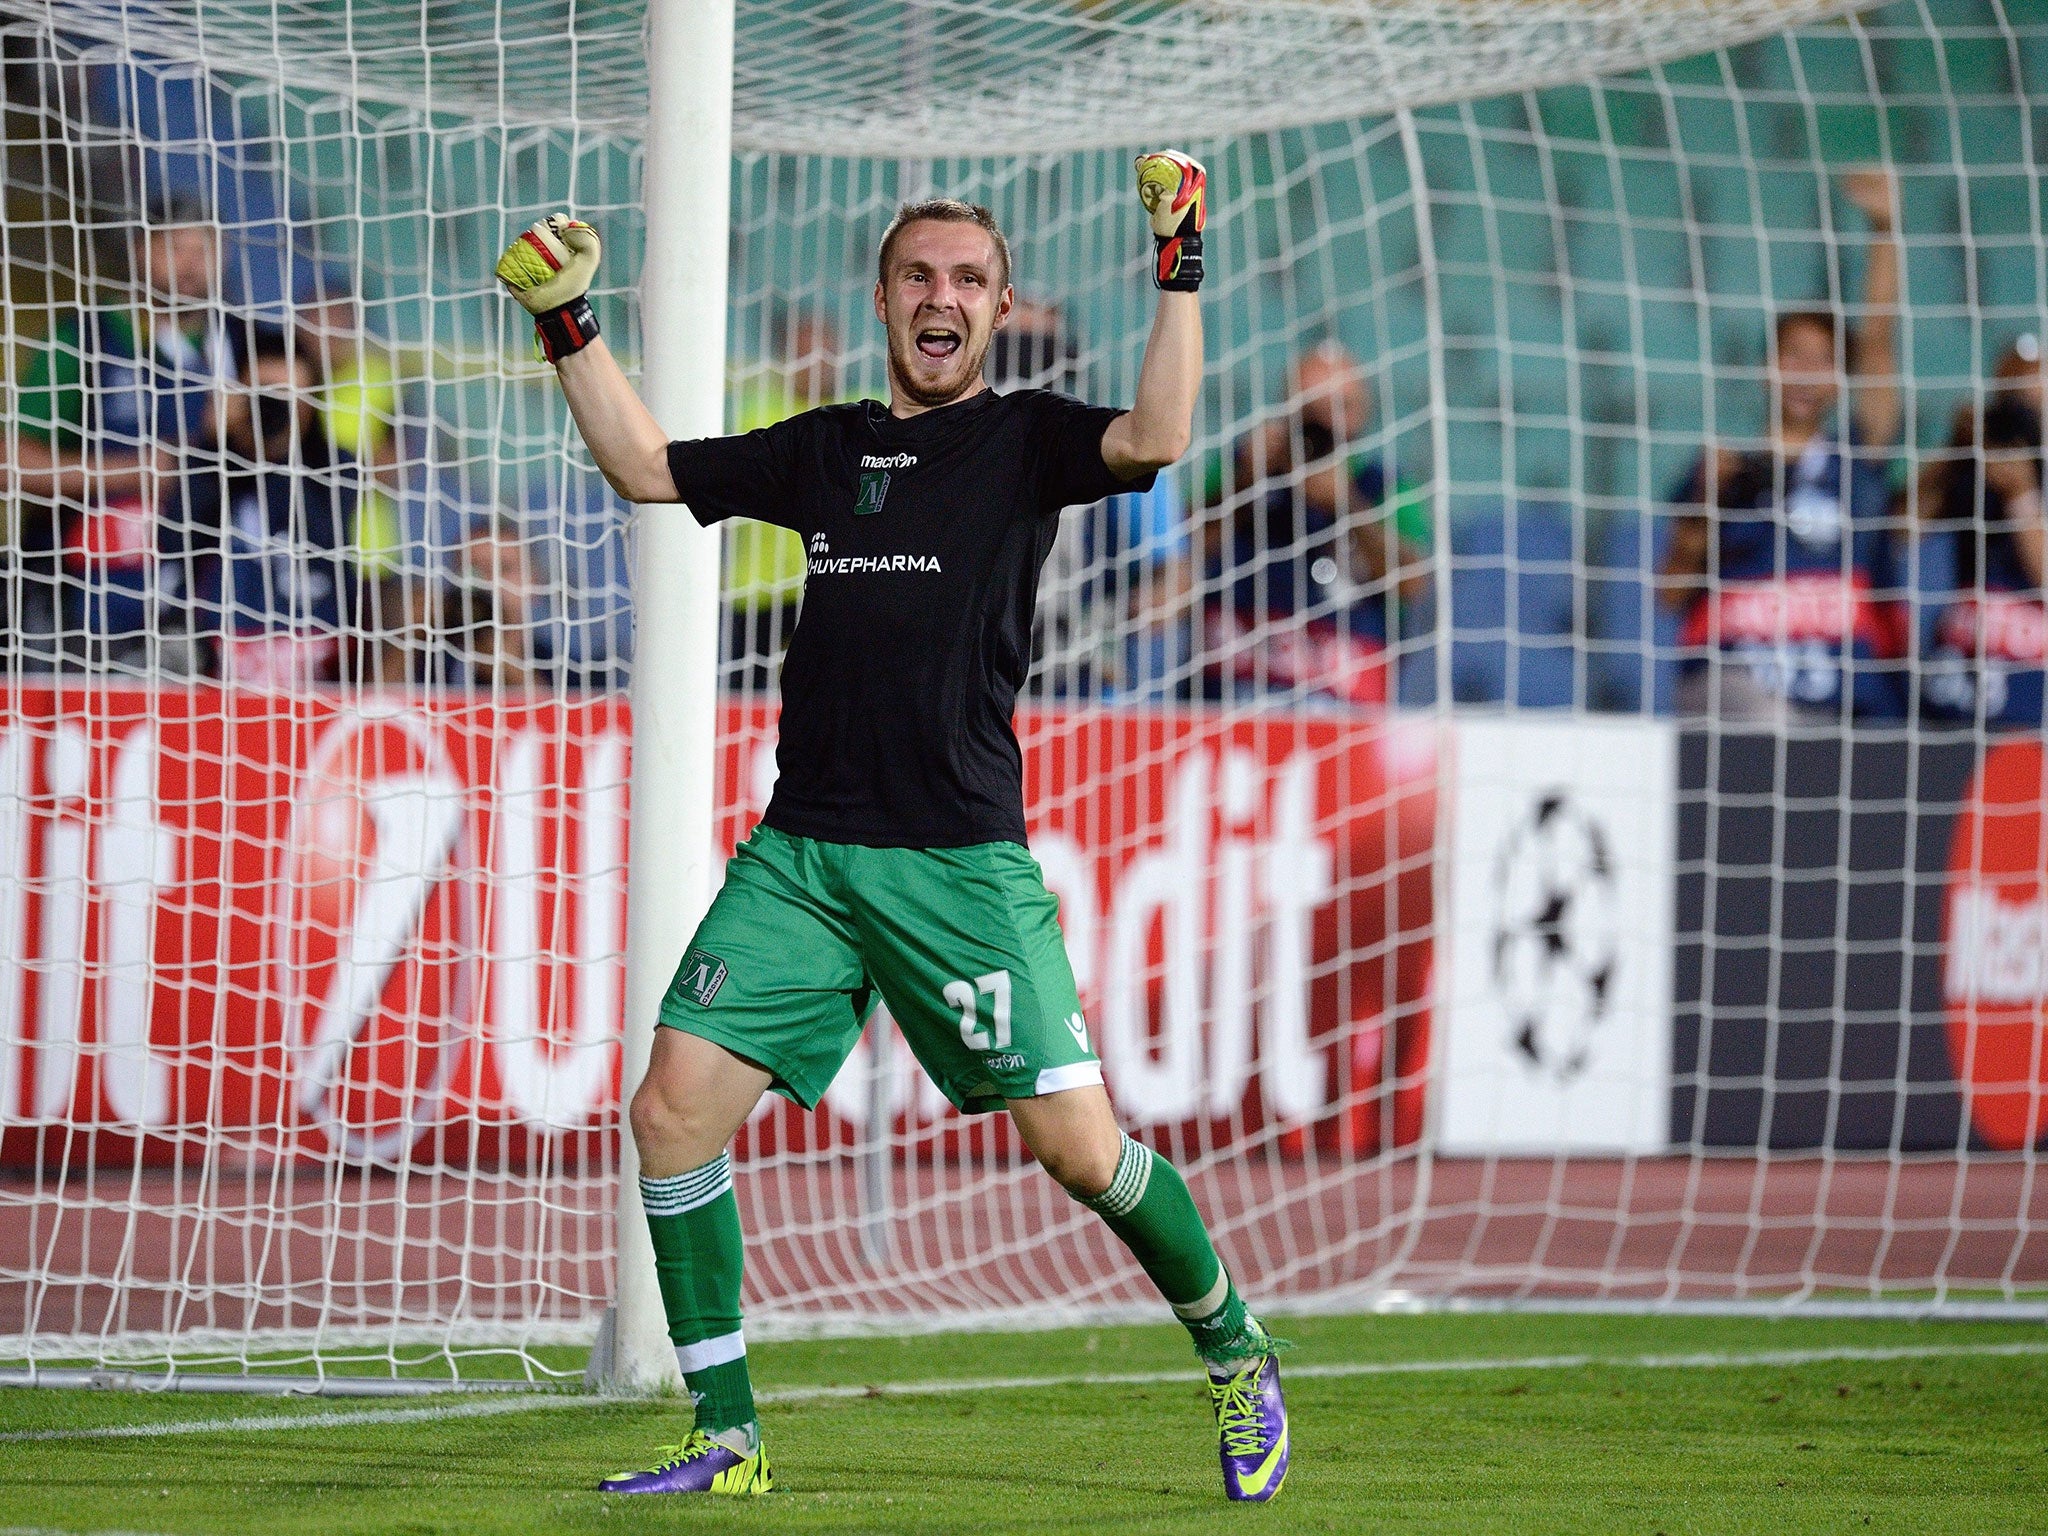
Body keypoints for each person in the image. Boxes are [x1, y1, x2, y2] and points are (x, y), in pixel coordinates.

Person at [495, 156, 1292, 1503]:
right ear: (884, 299)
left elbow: (1155, 441)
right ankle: (730, 1435)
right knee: (674, 1112)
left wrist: (1180, 263)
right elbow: (641, 463)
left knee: (1082, 1155)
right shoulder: (826, 446)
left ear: (1001, 305)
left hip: (958, 863)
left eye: (968, 279)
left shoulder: (1027, 437)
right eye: (920, 275)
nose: (944, 296)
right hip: (803, 854)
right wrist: (569, 321)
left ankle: (1235, 1352)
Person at [1661, 170, 1906, 725]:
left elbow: (1878, 346)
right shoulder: (1723, 468)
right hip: (1736, 703)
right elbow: (1671, 593)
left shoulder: (1857, 467)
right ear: (1765, 368)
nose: (1803, 373)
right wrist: (1705, 506)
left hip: (1846, 709)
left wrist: (1885, 229)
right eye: (1791, 356)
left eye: (1821, 361)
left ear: (1839, 379)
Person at [8, 188, 237, 675]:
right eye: (175, 248)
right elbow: (12, 462)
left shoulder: (237, 348)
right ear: (140, 249)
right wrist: (130, 472)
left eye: (205, 250)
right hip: (81, 599)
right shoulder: (86, 340)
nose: (192, 265)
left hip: (196, 605)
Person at [1203, 340, 1427, 704]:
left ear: (1361, 415)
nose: (1321, 426)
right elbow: (1186, 550)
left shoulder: (1382, 486)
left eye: (1338, 408)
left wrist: (1349, 506)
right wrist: (1245, 483)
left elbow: (1413, 584)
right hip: (1236, 689)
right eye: (1310, 410)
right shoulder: (1243, 467)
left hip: (1342, 702)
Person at [189, 324, 360, 687]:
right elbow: (176, 540)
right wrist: (212, 446)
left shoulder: (338, 465)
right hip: (218, 658)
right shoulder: (212, 462)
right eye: (263, 397)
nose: (274, 409)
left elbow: (319, 537)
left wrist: (278, 455)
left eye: (288, 399)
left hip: (316, 654)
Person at [1917, 338, 2046, 729]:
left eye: (2036, 385)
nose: (2024, 401)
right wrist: (1954, 453)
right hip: (1955, 690)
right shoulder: (1974, 470)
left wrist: (2022, 498)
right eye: (2013, 387)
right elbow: (1899, 530)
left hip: (2031, 701)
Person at [722, 304, 843, 689]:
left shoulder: (860, 411)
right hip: (755, 590)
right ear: (786, 357)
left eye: (825, 351)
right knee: (747, 698)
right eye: (805, 351)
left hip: (828, 587)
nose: (817, 362)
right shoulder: (757, 413)